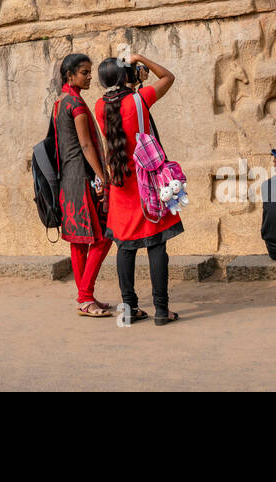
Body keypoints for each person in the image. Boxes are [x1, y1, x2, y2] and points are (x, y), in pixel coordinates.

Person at [96, 53, 181, 325]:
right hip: (148, 182)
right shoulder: (139, 99)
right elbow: (168, 77)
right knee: (156, 245)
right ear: (127, 76)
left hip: (121, 184)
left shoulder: (99, 106)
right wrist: (140, 59)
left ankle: (130, 309)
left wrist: (131, 80)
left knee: (125, 246)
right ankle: (160, 310)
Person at [53, 53, 113, 317]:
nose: (90, 77)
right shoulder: (75, 105)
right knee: (104, 235)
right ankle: (85, 296)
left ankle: (84, 299)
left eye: (89, 72)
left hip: (68, 179)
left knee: (78, 242)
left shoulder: (60, 102)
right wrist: (102, 176)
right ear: (70, 76)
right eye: (85, 72)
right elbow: (87, 145)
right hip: (82, 177)